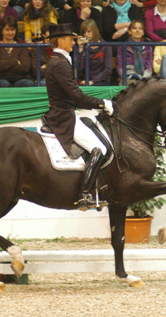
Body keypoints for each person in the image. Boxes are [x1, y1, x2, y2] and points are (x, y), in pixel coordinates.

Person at [44, 23, 114, 211]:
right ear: (60, 40)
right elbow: (76, 95)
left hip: (66, 112)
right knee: (99, 148)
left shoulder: (61, 60)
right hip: (64, 117)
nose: (73, 43)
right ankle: (84, 194)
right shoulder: (59, 63)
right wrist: (102, 104)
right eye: (70, 39)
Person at [0, 16, 36, 87]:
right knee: (4, 84)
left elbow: (25, 67)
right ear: (2, 31)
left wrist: (4, 64)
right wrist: (15, 61)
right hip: (1, 78)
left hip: (19, 78)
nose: (10, 32)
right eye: (7, 30)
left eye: (12, 29)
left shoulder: (21, 46)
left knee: (29, 83)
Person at [77, 19, 112, 86]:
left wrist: (93, 81)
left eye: (89, 31)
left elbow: (108, 70)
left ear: (94, 31)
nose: (86, 35)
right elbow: (79, 70)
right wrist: (80, 49)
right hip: (86, 80)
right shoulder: (83, 47)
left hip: (102, 81)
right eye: (84, 32)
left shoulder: (106, 46)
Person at [116, 19, 153, 83]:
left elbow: (149, 67)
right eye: (134, 28)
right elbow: (120, 67)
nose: (137, 30)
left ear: (143, 32)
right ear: (129, 31)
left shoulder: (148, 47)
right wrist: (127, 77)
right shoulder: (122, 47)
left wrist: (143, 79)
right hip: (127, 77)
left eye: (140, 29)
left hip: (144, 78)